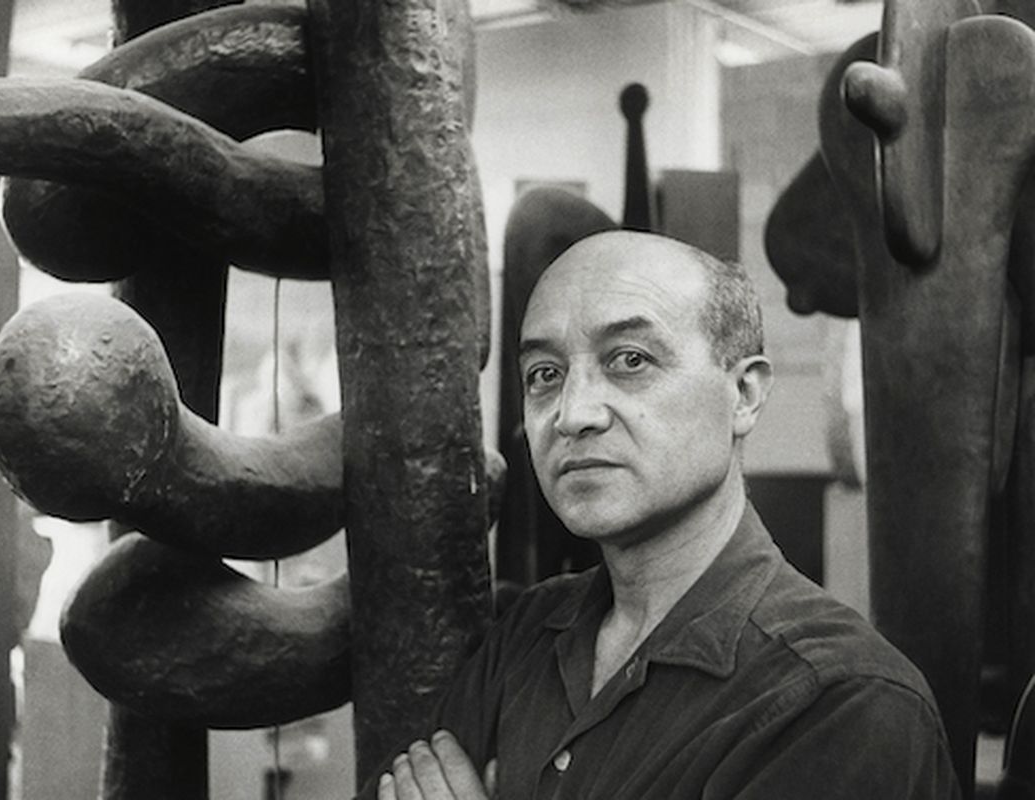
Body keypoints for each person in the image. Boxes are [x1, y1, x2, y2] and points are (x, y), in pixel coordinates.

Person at [364, 230, 960, 799]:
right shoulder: (525, 638)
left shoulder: (841, 701)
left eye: (630, 360)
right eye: (545, 374)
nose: (572, 414)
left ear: (744, 394)